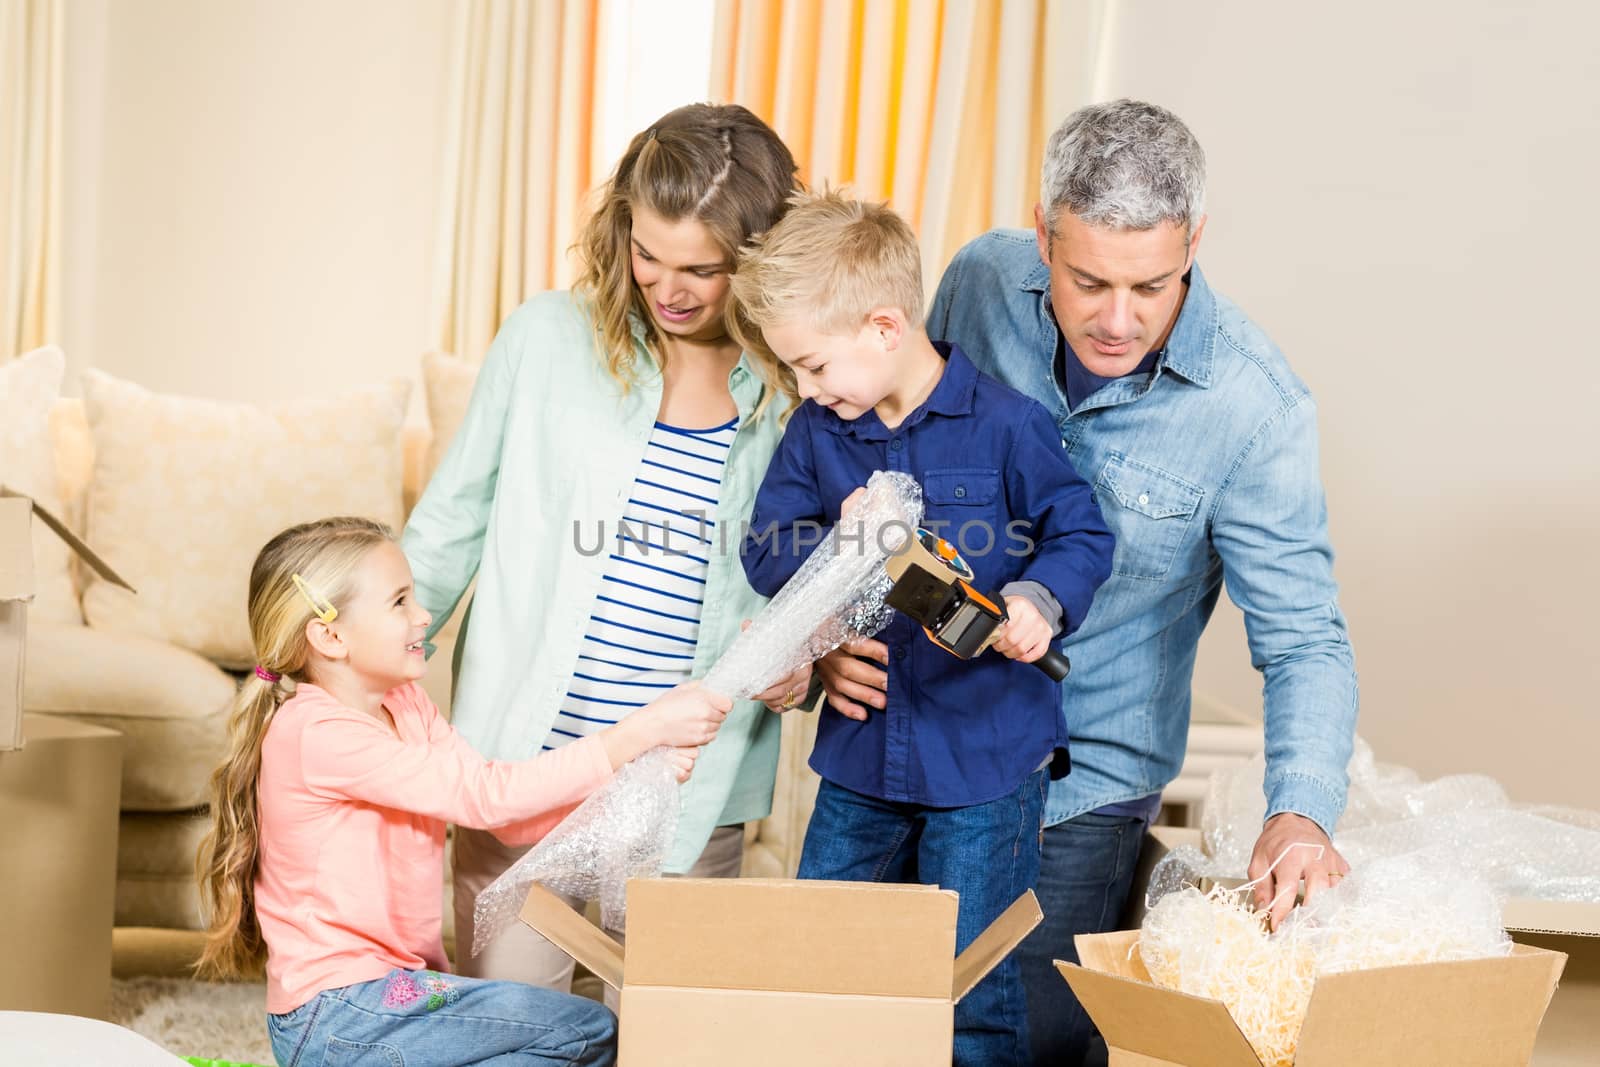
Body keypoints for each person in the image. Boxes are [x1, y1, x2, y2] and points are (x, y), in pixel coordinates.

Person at [819, 99, 1361, 1065]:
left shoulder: (1255, 407)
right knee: (851, 1022)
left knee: (1008, 1044)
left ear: (1195, 241)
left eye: (1152, 284)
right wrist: (831, 637)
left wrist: (1302, 811)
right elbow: (889, 456)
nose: (1118, 320)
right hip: (913, 731)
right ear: (1042, 235)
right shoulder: (980, 280)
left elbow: (1304, 638)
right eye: (1087, 281)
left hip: (1078, 785)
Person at [400, 102, 811, 991]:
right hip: (523, 774)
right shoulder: (546, 337)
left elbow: (806, 582)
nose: (669, 290)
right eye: (648, 255)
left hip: (689, 796)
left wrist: (803, 661)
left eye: (703, 269)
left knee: (668, 1039)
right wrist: (357, 677)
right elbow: (450, 523)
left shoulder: (795, 385)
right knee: (510, 1037)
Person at [734, 190, 1114, 1067]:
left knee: (975, 991)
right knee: (819, 960)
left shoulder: (1010, 425)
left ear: (883, 326)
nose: (807, 390)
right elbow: (766, 549)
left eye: (815, 366)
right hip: (863, 759)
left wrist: (1036, 601)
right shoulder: (815, 433)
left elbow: (1083, 532)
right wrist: (842, 546)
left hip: (989, 763)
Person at [195, 516, 731, 1066]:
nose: (422, 616)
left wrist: (630, 780)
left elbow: (503, 820)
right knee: (588, 1028)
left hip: (392, 998)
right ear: (330, 636)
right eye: (399, 602)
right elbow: (485, 794)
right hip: (339, 1013)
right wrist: (638, 732)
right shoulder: (314, 733)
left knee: (565, 1043)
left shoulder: (405, 704)